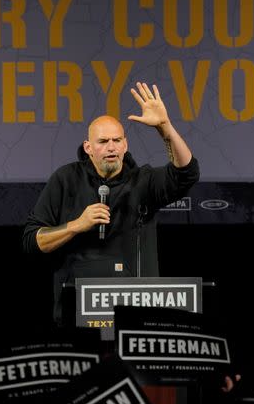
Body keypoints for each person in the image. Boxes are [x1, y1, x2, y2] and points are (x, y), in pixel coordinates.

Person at [23, 82, 199, 325]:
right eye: (103, 141)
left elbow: (187, 173)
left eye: (117, 140)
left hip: (136, 313)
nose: (111, 147)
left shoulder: (144, 181)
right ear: (88, 148)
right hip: (80, 313)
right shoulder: (66, 179)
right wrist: (75, 225)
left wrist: (165, 127)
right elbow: (33, 241)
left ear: (125, 145)